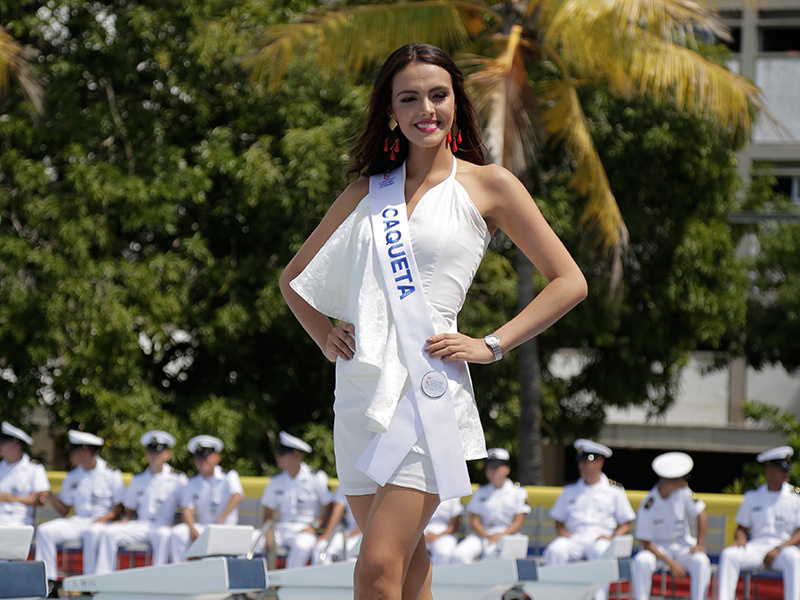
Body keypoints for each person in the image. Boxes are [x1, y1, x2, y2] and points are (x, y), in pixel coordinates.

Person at [279, 42, 586, 599]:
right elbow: (292, 281)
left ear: (454, 102)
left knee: (375, 567)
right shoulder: (365, 194)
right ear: (390, 112)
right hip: (359, 392)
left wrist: (491, 344)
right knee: (407, 563)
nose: (427, 108)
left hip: (424, 392)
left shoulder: (489, 185)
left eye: (438, 94)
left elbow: (570, 281)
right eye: (410, 97)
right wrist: (325, 334)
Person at [543, 439, 635, 600]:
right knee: (555, 550)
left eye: (587, 462)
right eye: (580, 462)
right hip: (575, 538)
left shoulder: (614, 491)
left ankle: (599, 598)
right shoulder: (570, 490)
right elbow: (558, 520)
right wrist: (562, 532)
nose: (582, 466)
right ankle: (557, 596)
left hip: (600, 538)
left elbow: (626, 523)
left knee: (600, 551)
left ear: (600, 462)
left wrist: (613, 537)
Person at [86, 430, 186, 574]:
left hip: (163, 524)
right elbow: (131, 507)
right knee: (109, 532)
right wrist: (125, 520)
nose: (154, 456)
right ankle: (102, 579)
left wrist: (177, 524)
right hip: (142, 524)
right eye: (151, 452)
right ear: (146, 454)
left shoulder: (178, 479)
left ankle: (158, 581)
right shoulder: (138, 480)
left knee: (164, 535)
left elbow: (186, 507)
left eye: (158, 452)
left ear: (167, 455)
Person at [35, 430, 125, 586]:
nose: (70, 456)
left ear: (86, 451)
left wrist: (106, 517)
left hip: (101, 521)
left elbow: (120, 506)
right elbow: (64, 510)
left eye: (74, 452)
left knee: (93, 532)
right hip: (78, 521)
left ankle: (91, 583)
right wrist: (49, 494)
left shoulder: (111, 473)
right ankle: (48, 581)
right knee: (45, 531)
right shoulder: (72, 476)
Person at [717, 446, 800, 600]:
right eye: (782, 470)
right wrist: (740, 539)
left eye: (787, 470)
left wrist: (779, 549)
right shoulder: (752, 497)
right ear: (768, 470)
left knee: (794, 557)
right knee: (729, 555)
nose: (787, 474)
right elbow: (741, 528)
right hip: (757, 547)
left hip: (783, 548)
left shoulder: (795, 497)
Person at [632, 452, 710, 600]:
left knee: (701, 560)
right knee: (642, 560)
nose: (684, 483)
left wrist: (700, 544)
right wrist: (671, 563)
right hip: (658, 549)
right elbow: (646, 543)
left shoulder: (684, 493)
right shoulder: (649, 503)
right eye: (682, 479)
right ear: (674, 482)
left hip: (681, 545)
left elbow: (702, 514)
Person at [258, 431, 333, 568]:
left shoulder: (316, 478)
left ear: (297, 456)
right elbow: (267, 513)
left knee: (301, 546)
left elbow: (329, 506)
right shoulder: (276, 481)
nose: (277, 457)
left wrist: (314, 526)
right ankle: (251, 584)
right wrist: (268, 534)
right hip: (280, 529)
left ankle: (288, 585)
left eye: (282, 453)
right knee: (253, 541)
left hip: (304, 529)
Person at [169, 434, 244, 563]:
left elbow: (236, 496)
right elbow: (187, 508)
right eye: (198, 457)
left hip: (225, 527)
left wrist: (220, 520)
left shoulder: (229, 476)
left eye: (206, 457)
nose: (202, 461)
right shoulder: (192, 482)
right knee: (178, 533)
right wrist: (192, 529)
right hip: (204, 527)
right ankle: (180, 572)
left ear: (216, 458)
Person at [450, 448, 529, 564]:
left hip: (507, 535)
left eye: (496, 467)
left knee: (491, 557)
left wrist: (501, 535)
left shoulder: (518, 492)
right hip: (483, 535)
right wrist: (487, 535)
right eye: (490, 467)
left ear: (507, 469)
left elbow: (518, 522)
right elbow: (475, 521)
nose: (492, 471)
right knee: (460, 554)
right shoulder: (481, 491)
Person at [0, 421, 50, 526]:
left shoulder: (34, 469)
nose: (0, 446)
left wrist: (12, 498)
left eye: (3, 443)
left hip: (19, 520)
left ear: (15, 446)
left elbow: (39, 499)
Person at [311, 486, 362, 565]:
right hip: (350, 529)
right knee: (321, 547)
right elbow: (339, 506)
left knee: (350, 552)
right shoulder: (346, 477)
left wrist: (359, 530)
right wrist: (328, 534)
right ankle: (322, 577)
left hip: (368, 530)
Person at [423, 496, 463, 566]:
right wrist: (421, 535)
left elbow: (455, 525)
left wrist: (436, 536)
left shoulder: (452, 496)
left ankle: (439, 576)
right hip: (420, 533)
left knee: (443, 553)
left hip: (443, 534)